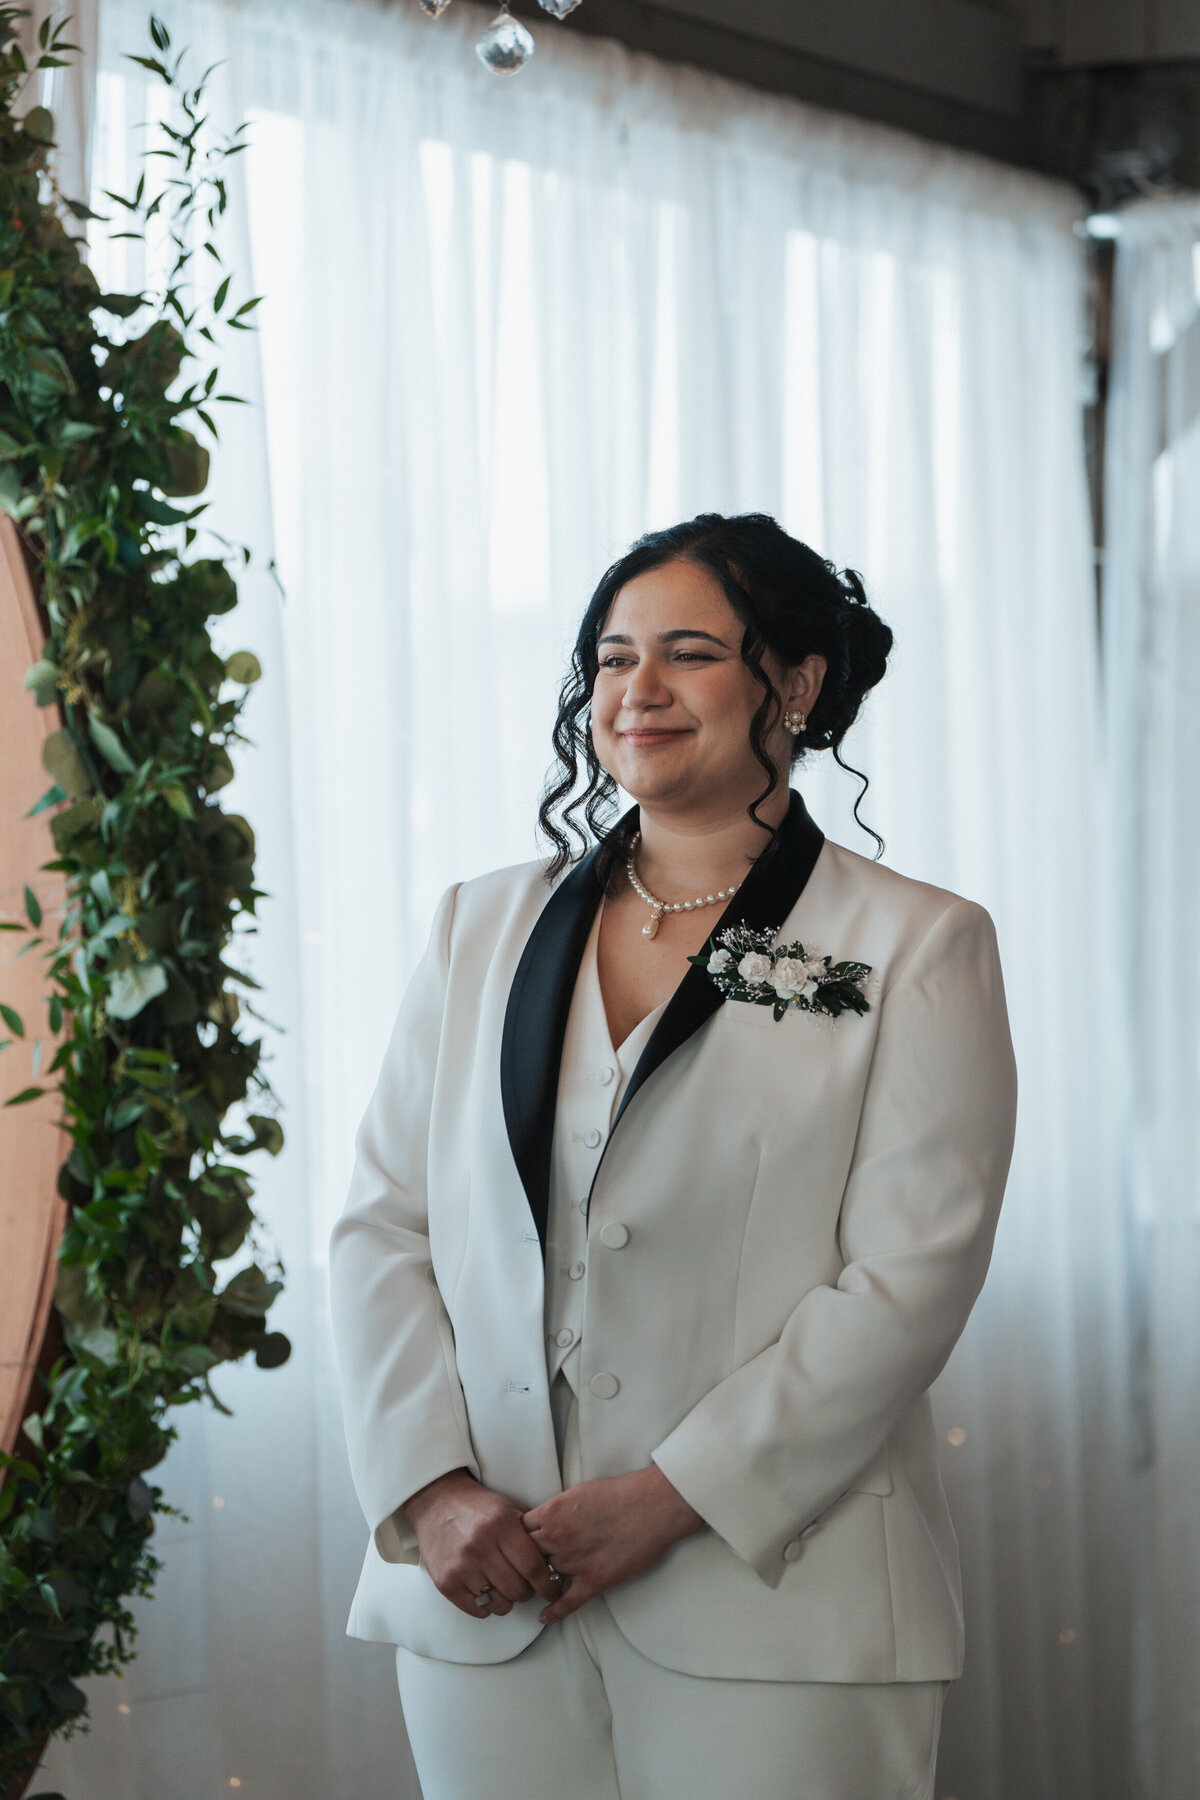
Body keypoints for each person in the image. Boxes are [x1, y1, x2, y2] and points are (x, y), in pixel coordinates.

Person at [328, 511, 1019, 1800]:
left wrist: (673, 1495)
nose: (636, 690)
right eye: (611, 657)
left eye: (688, 652)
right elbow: (385, 1227)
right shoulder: (479, 926)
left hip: (778, 1597)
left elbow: (909, 1280)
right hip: (488, 1594)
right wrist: (429, 1491)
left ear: (796, 686)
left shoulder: (917, 943)